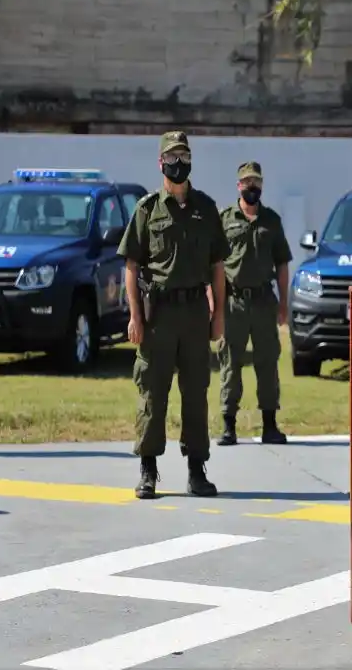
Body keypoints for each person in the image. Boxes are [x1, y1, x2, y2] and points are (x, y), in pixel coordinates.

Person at [117, 131, 228, 500]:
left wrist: (219, 315)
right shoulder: (147, 210)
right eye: (172, 156)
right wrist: (135, 316)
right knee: (152, 391)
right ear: (160, 163)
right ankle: (148, 469)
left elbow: (217, 266)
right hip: (158, 315)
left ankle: (197, 470)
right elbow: (131, 266)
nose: (178, 162)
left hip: (196, 312)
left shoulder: (207, 209)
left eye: (184, 155)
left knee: (196, 393)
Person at [215, 161, 292, 447]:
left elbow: (282, 263)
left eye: (256, 183)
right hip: (232, 303)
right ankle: (228, 425)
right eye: (247, 182)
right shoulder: (225, 219)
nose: (251, 187)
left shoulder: (271, 221)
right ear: (238, 185)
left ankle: (270, 425)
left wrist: (284, 302)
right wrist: (215, 303)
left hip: (262, 302)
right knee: (230, 364)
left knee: (267, 362)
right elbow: (215, 264)